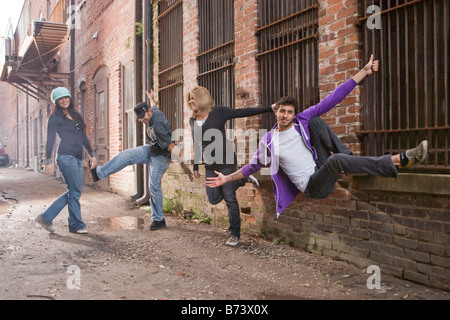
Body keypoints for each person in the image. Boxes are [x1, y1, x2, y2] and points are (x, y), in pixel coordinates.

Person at [206, 55, 429, 217]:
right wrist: (226, 178)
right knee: (335, 161)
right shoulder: (269, 141)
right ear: (276, 112)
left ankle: (348, 161)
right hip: (314, 186)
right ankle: (401, 159)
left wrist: (363, 72)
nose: (285, 115)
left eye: (289, 112)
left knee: (317, 120)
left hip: (320, 166)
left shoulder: (301, 121)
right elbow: (251, 167)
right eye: (281, 111)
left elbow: (331, 99)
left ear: (294, 114)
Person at [90, 90, 193, 231]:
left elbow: (172, 147)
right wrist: (151, 97)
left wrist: (186, 166)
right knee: (127, 155)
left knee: (153, 186)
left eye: (143, 117)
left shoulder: (158, 126)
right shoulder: (153, 111)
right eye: (139, 118)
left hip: (161, 157)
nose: (141, 120)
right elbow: (154, 105)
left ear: (149, 112)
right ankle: (99, 173)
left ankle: (159, 220)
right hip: (151, 150)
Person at [186, 86, 274, 246]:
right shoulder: (192, 120)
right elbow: (197, 144)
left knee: (230, 199)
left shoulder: (218, 112)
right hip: (210, 166)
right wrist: (196, 166)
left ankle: (235, 234)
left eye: (194, 98)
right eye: (190, 98)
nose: (191, 101)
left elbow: (243, 112)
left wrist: (269, 108)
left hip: (226, 162)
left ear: (202, 98)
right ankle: (241, 180)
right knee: (213, 198)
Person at [35, 87, 98, 234]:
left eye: (66, 97)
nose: (64, 100)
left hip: (77, 157)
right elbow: (50, 139)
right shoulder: (54, 118)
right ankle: (76, 224)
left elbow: (83, 136)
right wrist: (48, 161)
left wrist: (92, 154)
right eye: (61, 98)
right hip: (65, 156)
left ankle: (46, 217)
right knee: (75, 192)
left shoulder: (76, 115)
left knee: (74, 191)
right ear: (56, 101)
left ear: (70, 98)